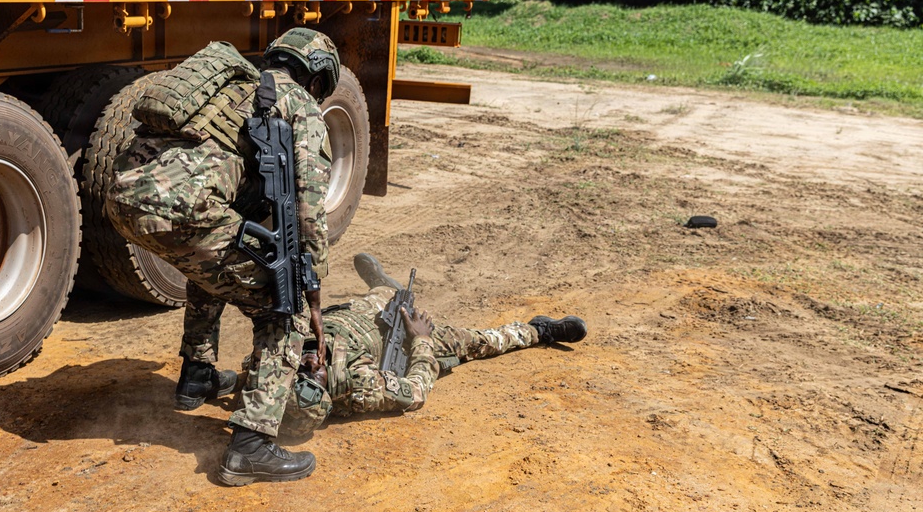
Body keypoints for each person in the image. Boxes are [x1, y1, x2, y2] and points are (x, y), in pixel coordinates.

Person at [105, 29, 339, 485]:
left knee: (216, 264)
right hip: (184, 209)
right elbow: (311, 205)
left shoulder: (231, 90)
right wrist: (311, 288)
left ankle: (197, 374)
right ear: (316, 78)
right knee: (282, 305)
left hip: (122, 196)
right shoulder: (300, 107)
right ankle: (252, 445)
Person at [277, 254, 588, 438]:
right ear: (328, 390)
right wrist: (421, 339)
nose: (308, 363)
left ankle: (384, 285)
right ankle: (538, 330)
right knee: (475, 341)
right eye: (316, 376)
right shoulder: (362, 386)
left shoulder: (279, 366)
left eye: (301, 372)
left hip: (352, 315)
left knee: (385, 296)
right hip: (397, 339)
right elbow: (415, 392)